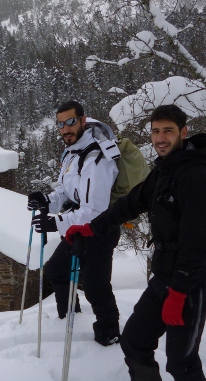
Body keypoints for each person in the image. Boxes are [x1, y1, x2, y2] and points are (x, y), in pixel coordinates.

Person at [66, 105, 206, 381]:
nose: (160, 138)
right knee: (135, 340)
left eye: (167, 131)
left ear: (183, 131)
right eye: (155, 131)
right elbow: (130, 204)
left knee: (181, 358)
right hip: (165, 277)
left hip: (190, 282)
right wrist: (90, 227)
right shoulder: (164, 171)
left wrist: (180, 291)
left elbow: (196, 244)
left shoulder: (196, 176)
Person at [28, 100, 121, 347]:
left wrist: (56, 222)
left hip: (100, 230)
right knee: (57, 271)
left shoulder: (98, 156)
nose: (65, 129)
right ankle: (69, 316)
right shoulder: (72, 152)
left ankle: (109, 335)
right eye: (60, 124)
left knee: (95, 288)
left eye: (70, 122)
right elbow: (68, 192)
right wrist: (47, 202)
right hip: (77, 227)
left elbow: (95, 210)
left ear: (82, 120)